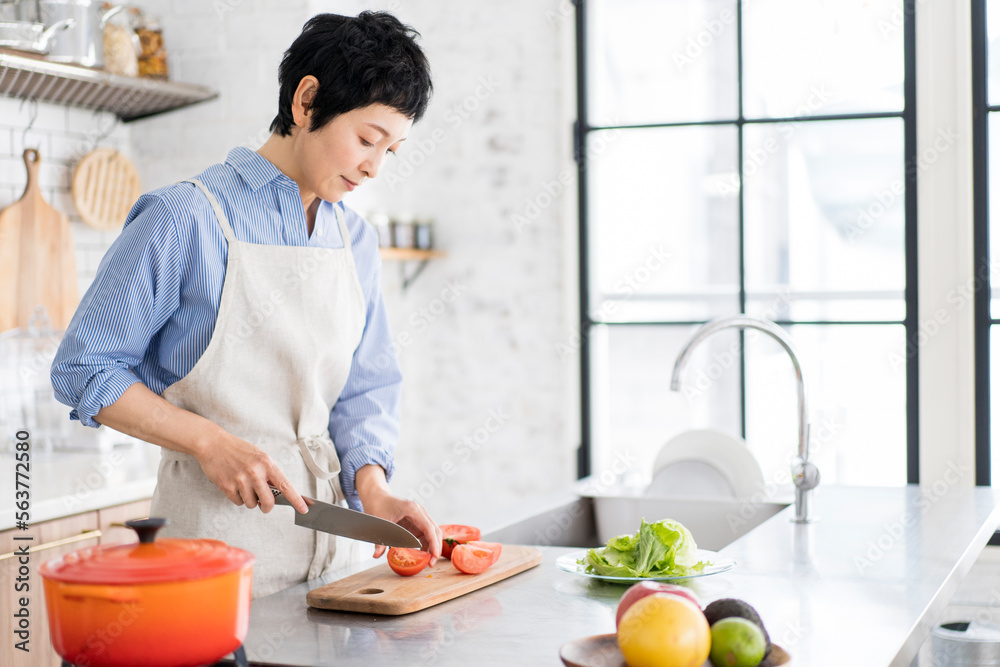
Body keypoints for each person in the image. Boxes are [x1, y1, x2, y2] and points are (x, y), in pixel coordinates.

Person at [51, 11, 442, 599]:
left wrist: (375, 489)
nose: (373, 166)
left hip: (332, 572)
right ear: (306, 101)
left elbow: (364, 389)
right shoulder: (184, 219)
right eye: (366, 139)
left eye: (392, 149)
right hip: (207, 569)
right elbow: (84, 368)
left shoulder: (354, 241)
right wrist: (207, 441)